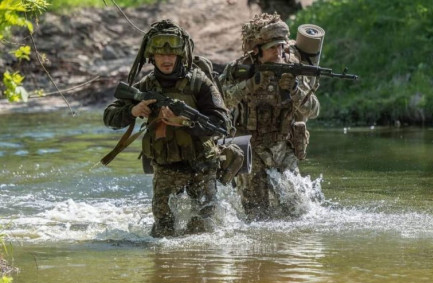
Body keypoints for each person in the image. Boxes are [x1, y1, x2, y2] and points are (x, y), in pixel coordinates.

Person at [103, 19, 230, 237]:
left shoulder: (200, 83)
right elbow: (109, 117)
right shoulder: (146, 86)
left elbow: (222, 124)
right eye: (161, 55)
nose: (167, 60)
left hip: (201, 165)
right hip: (165, 167)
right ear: (152, 57)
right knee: (163, 233)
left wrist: (185, 122)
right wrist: (133, 111)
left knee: (203, 231)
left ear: (181, 56)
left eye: (171, 54)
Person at [219, 13, 320, 221]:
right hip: (248, 147)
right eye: (273, 48)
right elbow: (221, 103)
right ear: (257, 51)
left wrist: (295, 89)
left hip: (283, 146)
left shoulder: (293, 69)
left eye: (282, 46)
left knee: (297, 212)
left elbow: (314, 110)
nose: (279, 52)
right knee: (256, 214)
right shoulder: (240, 70)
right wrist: (249, 85)